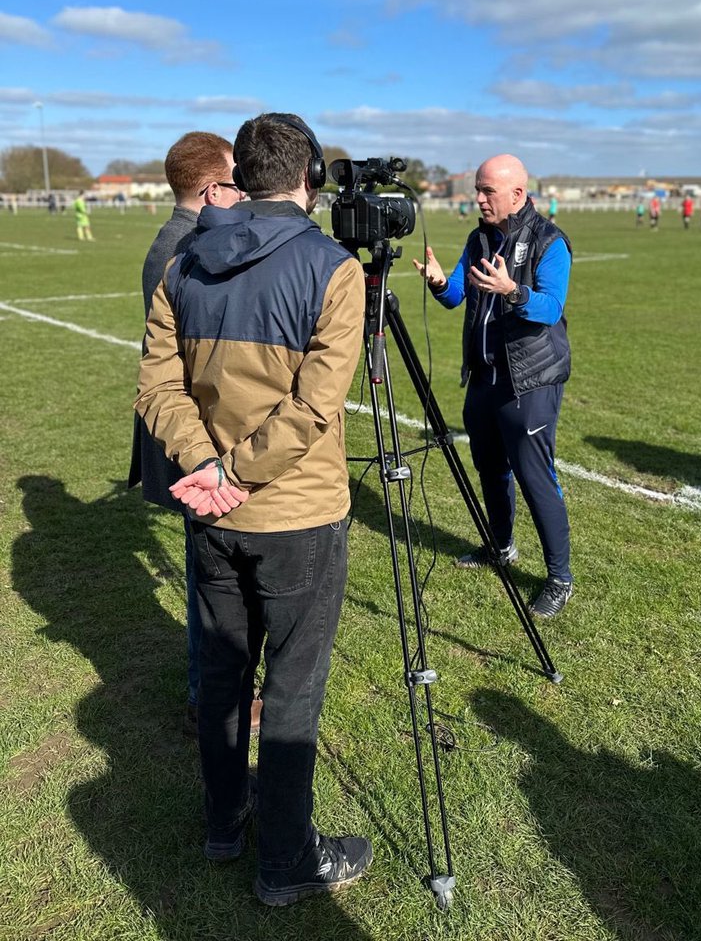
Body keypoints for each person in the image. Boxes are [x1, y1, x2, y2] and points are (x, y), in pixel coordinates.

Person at [135, 112, 371, 906]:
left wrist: (207, 468)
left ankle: (225, 823)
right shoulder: (334, 269)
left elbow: (157, 390)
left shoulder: (184, 262)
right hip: (293, 514)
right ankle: (284, 860)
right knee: (292, 689)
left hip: (212, 511)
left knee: (226, 679)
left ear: (244, 174)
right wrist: (232, 471)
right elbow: (313, 409)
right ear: (307, 176)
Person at [413, 154, 574, 619]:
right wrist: (442, 281)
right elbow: (457, 295)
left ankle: (559, 577)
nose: (478, 199)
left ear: (518, 194)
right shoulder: (479, 237)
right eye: (477, 190)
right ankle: (500, 547)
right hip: (483, 379)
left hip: (529, 382)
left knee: (534, 477)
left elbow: (550, 308)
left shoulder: (549, 241)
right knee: (490, 469)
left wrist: (512, 291)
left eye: (488, 191)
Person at [128, 131, 249, 737]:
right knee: (210, 579)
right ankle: (209, 699)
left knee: (211, 576)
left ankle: (214, 692)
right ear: (211, 188)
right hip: (192, 444)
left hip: (189, 440)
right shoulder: (184, 251)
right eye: (235, 181)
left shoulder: (178, 241)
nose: (243, 191)